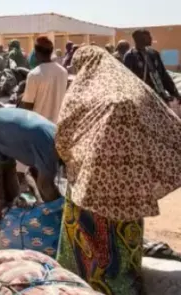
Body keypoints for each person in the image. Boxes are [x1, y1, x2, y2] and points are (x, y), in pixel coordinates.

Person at [55, 45, 181, 295]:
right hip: (131, 183)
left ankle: (83, 286)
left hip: (91, 182)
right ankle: (124, 285)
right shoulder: (133, 86)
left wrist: (73, 155)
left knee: (86, 236)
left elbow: (64, 131)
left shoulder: (84, 90)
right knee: (125, 235)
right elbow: (168, 124)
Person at [0, 107, 62, 253]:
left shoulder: (56, 137)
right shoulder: (50, 148)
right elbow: (46, 186)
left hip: (0, 145)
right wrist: (60, 210)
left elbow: (32, 173)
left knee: (12, 198)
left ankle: (6, 245)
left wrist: (41, 198)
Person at [124, 29, 180, 104]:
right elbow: (128, 80)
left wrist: (175, 93)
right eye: (148, 37)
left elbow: (164, 75)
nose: (151, 38)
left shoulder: (154, 53)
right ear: (140, 39)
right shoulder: (130, 56)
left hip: (160, 96)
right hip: (144, 98)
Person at [19, 36, 68, 123]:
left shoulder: (34, 74)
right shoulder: (63, 72)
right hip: (58, 124)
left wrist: (20, 99)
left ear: (36, 52)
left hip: (40, 125)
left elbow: (27, 105)